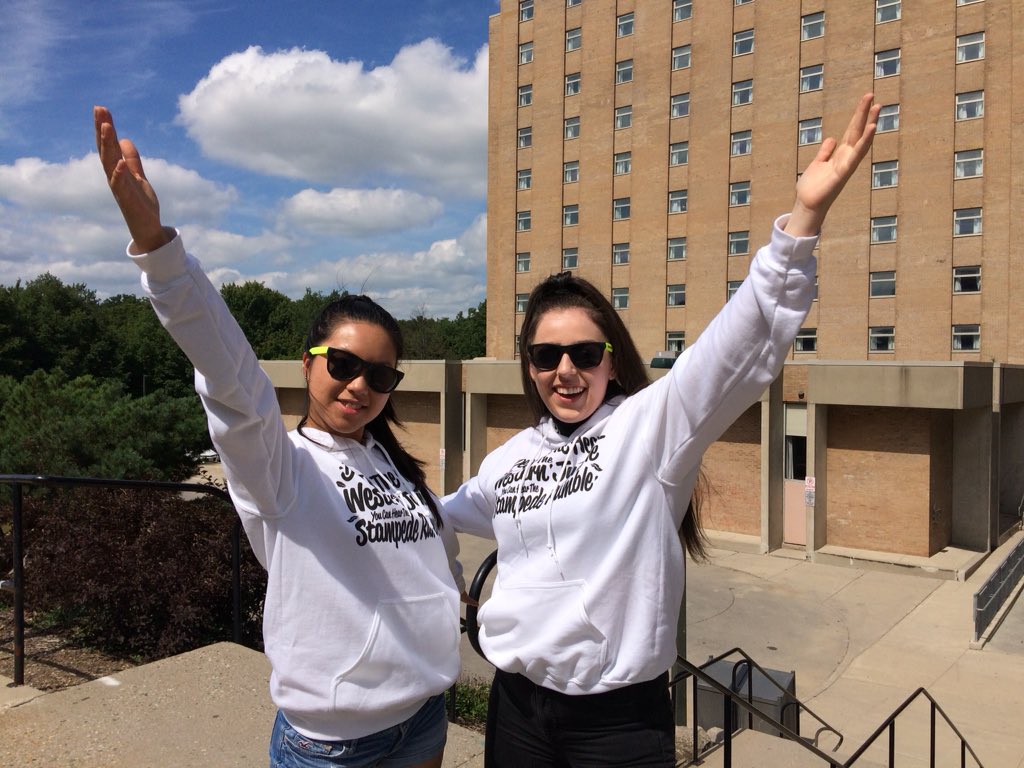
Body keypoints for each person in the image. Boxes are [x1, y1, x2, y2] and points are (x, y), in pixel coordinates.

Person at [442, 93, 881, 766]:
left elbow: (738, 344)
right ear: (529, 368)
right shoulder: (510, 460)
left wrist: (804, 218)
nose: (565, 371)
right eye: (546, 356)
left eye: (584, 354)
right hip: (517, 707)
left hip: (616, 723)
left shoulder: (650, 427)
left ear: (611, 361)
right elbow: (443, 515)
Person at [95, 106, 464, 768]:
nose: (359, 386)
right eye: (344, 365)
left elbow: (433, 552)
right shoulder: (280, 468)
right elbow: (233, 379)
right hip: (332, 746)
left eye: (380, 375)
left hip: (423, 720)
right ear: (309, 361)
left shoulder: (387, 460)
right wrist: (160, 251)